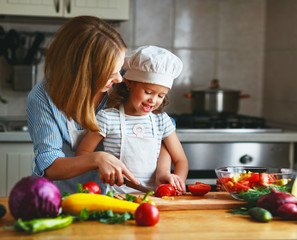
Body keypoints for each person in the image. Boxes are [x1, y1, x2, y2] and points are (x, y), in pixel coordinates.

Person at [26, 16, 142, 194]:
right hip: (61, 198)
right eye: (110, 73)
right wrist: (96, 159)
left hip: (114, 198)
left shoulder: (123, 84)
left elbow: (157, 124)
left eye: (119, 70)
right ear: (81, 73)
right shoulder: (42, 98)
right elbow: (50, 166)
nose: (119, 78)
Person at [76, 45, 189, 194]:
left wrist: (175, 180)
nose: (153, 100)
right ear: (129, 83)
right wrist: (101, 165)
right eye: (148, 92)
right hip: (115, 196)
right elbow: (82, 153)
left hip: (155, 198)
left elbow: (181, 160)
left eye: (161, 96)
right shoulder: (107, 118)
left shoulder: (162, 121)